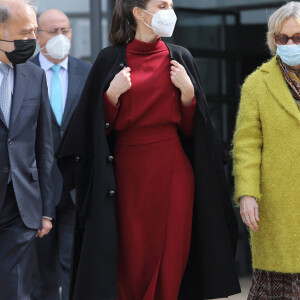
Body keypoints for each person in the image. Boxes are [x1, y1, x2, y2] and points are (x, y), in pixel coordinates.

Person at [57, 0, 241, 299]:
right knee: (131, 258)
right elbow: (90, 130)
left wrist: (189, 96)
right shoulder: (109, 59)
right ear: (139, 13)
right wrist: (111, 98)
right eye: (162, 4)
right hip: (126, 175)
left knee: (172, 256)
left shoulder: (180, 57)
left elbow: (196, 134)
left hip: (174, 170)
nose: (170, 10)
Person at [233, 2, 300, 298]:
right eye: (282, 38)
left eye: (297, 37)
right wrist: (247, 193)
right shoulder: (257, 84)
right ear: (273, 40)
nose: (289, 44)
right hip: (276, 205)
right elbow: (246, 145)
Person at [30, 9, 91, 300]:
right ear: (37, 35)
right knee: (41, 271)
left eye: (65, 30)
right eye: (52, 31)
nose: (60, 37)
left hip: (75, 187)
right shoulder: (22, 72)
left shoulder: (88, 73)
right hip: (36, 190)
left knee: (73, 265)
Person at [0, 0, 54, 299]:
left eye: (35, 31)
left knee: (15, 289)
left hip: (19, 204)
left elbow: (43, 146)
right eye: (25, 32)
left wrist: (47, 209)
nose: (33, 40)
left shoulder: (35, 76)